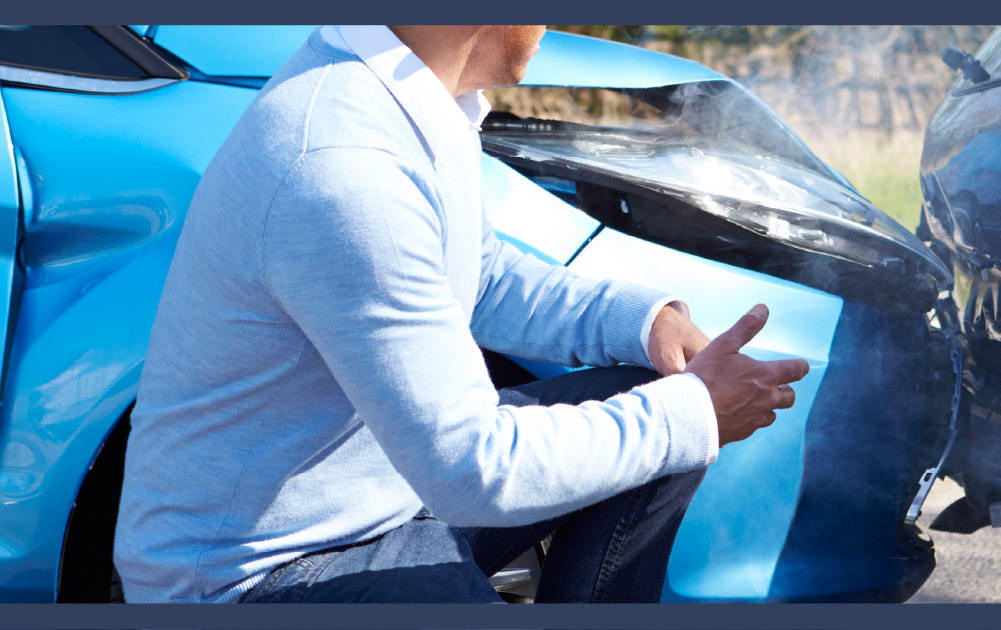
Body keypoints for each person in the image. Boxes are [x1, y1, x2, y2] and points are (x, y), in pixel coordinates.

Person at [112, 24, 808, 604]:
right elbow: (472, 470)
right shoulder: (343, 167)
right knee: (676, 421)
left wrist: (643, 322)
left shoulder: (400, 101)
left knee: (656, 400)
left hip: (373, 507)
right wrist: (694, 413)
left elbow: (476, 279)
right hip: (255, 580)